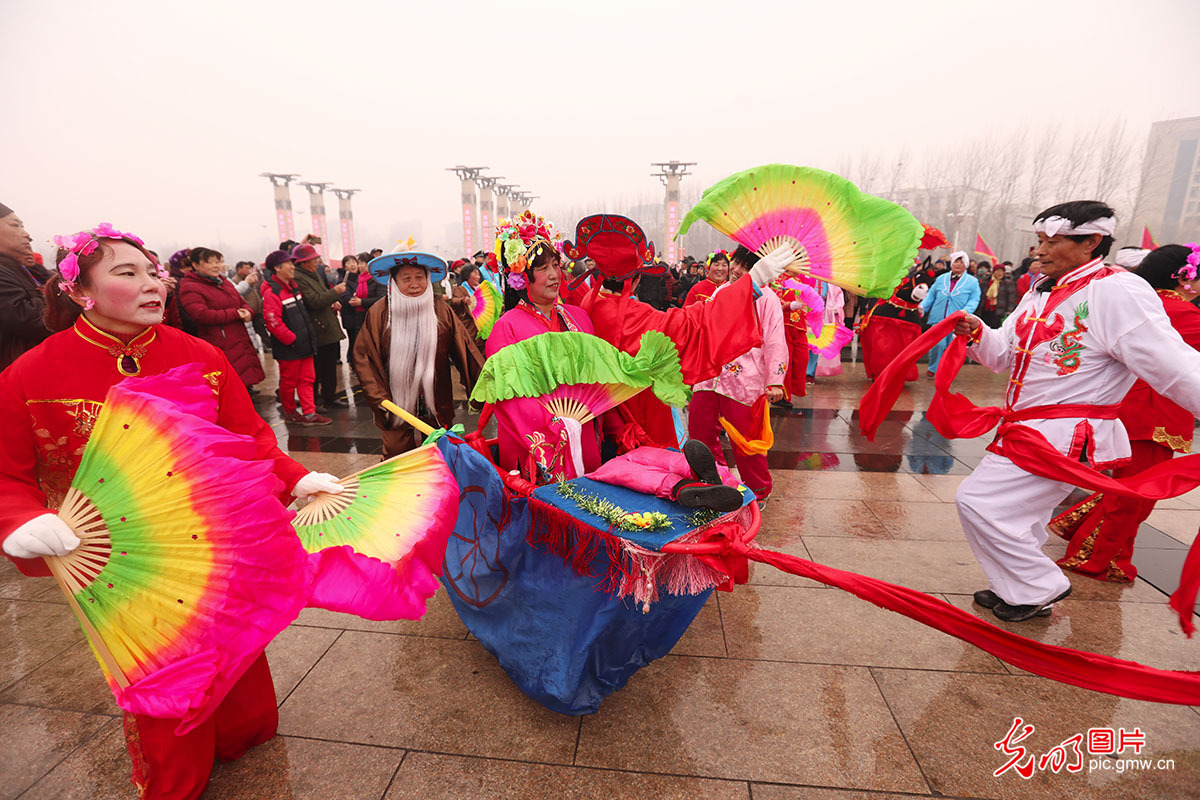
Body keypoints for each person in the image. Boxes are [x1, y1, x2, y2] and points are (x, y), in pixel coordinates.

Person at [0, 224, 342, 800]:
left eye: (152, 272)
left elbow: (251, 435)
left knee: (234, 635)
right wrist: (19, 520)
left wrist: (296, 476)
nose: (152, 285)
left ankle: (242, 734)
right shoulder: (30, 374)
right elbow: (7, 473)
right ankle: (177, 778)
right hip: (114, 557)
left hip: (211, 532)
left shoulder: (199, 355)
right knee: (160, 668)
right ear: (80, 291)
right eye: (126, 273)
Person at [953, 202, 1200, 621]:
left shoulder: (1115, 290)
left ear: (1092, 242)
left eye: (1054, 242)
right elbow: (1001, 356)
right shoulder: (1039, 291)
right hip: (1025, 428)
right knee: (1022, 514)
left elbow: (1173, 364)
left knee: (978, 502)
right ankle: (1015, 589)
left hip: (1066, 431)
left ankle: (1037, 586)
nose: (1040, 251)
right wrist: (977, 331)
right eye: (1039, 242)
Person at [1051, 243, 1200, 581]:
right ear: (1184, 279)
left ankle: (1113, 554)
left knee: (1132, 491)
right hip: (1151, 415)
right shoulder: (1181, 314)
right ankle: (1091, 557)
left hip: (1132, 412)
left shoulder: (1145, 304)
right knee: (1136, 495)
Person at [353, 252, 483, 457]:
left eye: (419, 278)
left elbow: (465, 349)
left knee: (441, 453)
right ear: (394, 282)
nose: (414, 285)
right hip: (394, 403)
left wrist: (483, 387)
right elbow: (365, 359)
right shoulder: (379, 313)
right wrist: (380, 400)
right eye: (406, 279)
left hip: (436, 396)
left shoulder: (440, 309)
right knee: (397, 455)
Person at [687, 246, 788, 502]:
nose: (736, 270)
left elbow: (775, 340)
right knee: (700, 432)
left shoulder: (768, 299)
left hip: (746, 381)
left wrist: (775, 380)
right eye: (736, 263)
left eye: (746, 266)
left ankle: (759, 491)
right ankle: (713, 481)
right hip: (708, 376)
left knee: (747, 441)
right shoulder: (721, 292)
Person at [177, 247, 265, 388]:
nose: (216, 266)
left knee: (243, 382)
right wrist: (235, 314)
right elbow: (201, 314)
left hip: (239, 337)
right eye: (210, 262)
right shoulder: (190, 286)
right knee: (228, 384)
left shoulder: (223, 281)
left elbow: (241, 301)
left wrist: (248, 312)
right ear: (195, 265)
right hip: (219, 341)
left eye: (219, 261)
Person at [260, 250, 329, 426]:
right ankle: (290, 412)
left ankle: (309, 413)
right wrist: (292, 340)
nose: (293, 267)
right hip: (289, 348)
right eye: (289, 263)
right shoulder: (272, 292)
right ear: (277, 268)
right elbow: (273, 321)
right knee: (289, 383)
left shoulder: (292, 286)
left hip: (304, 344)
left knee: (307, 379)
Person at [859, 258, 938, 382]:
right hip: (887, 315)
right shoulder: (898, 279)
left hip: (909, 317)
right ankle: (880, 372)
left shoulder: (911, 282)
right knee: (882, 347)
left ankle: (899, 372)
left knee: (904, 349)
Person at [290, 243, 347, 409]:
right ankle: (314, 402)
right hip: (317, 328)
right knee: (317, 369)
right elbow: (313, 301)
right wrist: (335, 292)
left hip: (327, 326)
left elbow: (322, 296)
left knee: (329, 366)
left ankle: (330, 396)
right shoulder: (299, 277)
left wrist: (333, 301)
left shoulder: (314, 273)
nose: (317, 262)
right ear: (302, 262)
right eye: (313, 259)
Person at [0, 202, 52, 371]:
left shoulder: (18, 268)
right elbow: (32, 320)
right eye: (15, 225)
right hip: (14, 378)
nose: (27, 235)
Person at [920, 251, 981, 375]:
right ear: (951, 263)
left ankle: (946, 370)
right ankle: (933, 368)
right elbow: (930, 296)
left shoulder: (972, 282)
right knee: (938, 344)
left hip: (957, 319)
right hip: (938, 318)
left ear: (966, 265)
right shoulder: (941, 278)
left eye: (961, 262)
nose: (958, 264)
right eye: (956, 262)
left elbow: (974, 299)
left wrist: (966, 311)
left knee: (952, 347)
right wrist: (922, 307)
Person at [447, 264, 483, 339]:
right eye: (475, 274)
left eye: (479, 274)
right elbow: (453, 301)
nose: (478, 277)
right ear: (467, 275)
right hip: (469, 327)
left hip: (481, 325)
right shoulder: (460, 289)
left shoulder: (481, 290)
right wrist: (463, 300)